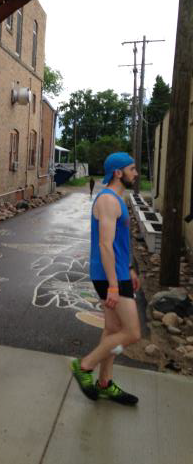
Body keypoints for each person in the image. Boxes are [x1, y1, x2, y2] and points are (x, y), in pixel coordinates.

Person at [71, 152, 141, 405]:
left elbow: (120, 244)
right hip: (110, 276)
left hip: (119, 272)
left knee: (113, 330)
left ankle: (104, 383)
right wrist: (113, 285)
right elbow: (105, 245)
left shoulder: (117, 200)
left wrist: (130, 268)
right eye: (132, 169)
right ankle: (85, 365)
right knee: (132, 332)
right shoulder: (109, 201)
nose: (136, 173)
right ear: (118, 173)